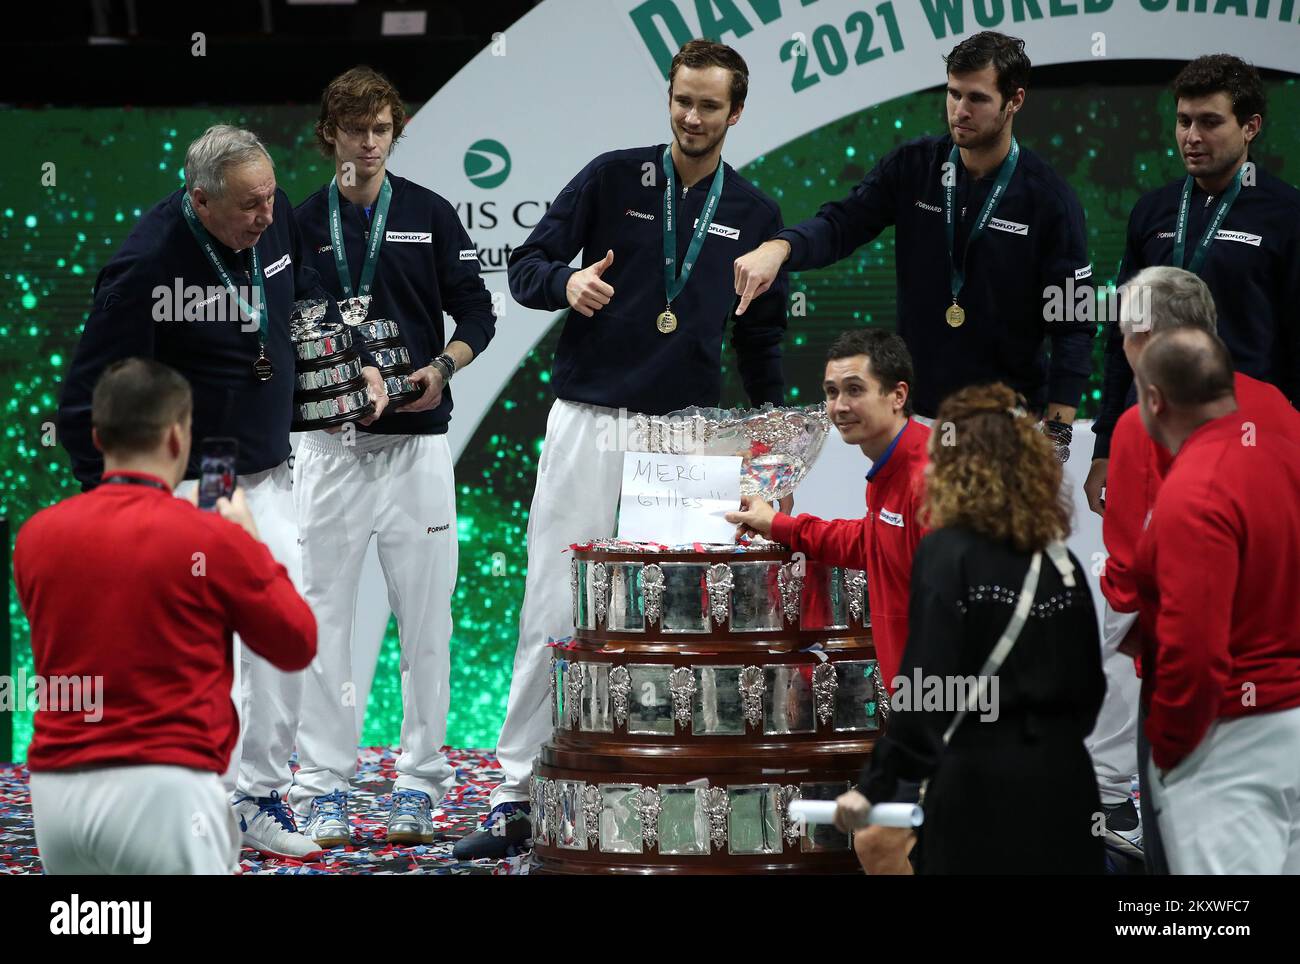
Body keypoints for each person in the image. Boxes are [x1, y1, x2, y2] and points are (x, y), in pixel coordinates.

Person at [454, 38, 789, 860]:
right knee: (553, 607)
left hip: (687, 438)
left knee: (677, 621)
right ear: (668, 98)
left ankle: (668, 789)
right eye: (682, 99)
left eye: (710, 104)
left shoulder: (755, 214)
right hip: (589, 419)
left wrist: (774, 454)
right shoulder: (612, 177)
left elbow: (763, 345)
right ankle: (514, 793)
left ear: (735, 113)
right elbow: (527, 267)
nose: (692, 116)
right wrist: (565, 284)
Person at [56, 125, 384, 859]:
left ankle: (261, 796)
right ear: (199, 200)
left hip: (268, 475)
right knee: (190, 655)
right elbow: (84, 402)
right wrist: (116, 508)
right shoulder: (145, 266)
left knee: (284, 638)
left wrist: (352, 360)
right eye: (248, 206)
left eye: (271, 198)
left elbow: (304, 299)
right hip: (184, 490)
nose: (268, 217)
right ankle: (192, 794)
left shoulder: (276, 222)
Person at [288, 66, 496, 847]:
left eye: (381, 129)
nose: (368, 144)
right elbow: (286, 324)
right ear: (331, 135)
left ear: (395, 130)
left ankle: (418, 779)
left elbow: (478, 311)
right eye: (354, 130)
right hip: (330, 449)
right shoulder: (300, 223)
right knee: (322, 620)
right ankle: (324, 783)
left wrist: (436, 370)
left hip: (417, 449)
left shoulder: (431, 216)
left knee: (427, 623)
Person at [16, 359, 317, 874]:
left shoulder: (36, 536)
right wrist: (249, 544)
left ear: (96, 435)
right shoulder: (212, 539)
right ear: (179, 438)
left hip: (54, 795)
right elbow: (296, 642)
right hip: (165, 790)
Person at [733, 31, 1092, 449]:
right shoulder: (914, 167)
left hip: (1008, 428)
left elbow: (1074, 324)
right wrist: (780, 247)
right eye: (953, 94)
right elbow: (842, 223)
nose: (960, 110)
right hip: (916, 418)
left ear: (1015, 100)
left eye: (977, 98)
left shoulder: (1050, 200)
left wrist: (1059, 433)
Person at [835, 383, 1106, 874]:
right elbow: (1089, 691)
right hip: (1066, 790)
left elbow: (924, 694)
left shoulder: (948, 555)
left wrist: (877, 784)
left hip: (981, 794)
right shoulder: (1061, 564)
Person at [1094, 266, 1300, 869]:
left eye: (1123, 335)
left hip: (1213, 715)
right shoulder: (1278, 408)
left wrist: (1171, 744)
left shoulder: (1145, 425)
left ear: (1145, 339)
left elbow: (1132, 582)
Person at [727, 328, 928, 875]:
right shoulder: (887, 472)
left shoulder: (929, 477)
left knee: (882, 845)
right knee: (885, 845)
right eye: (831, 391)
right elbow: (868, 542)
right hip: (924, 706)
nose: (840, 405)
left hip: (950, 710)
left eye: (855, 389)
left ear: (898, 394)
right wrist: (780, 525)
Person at [1084, 53, 1300, 514]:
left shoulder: (1287, 216)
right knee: (1139, 573)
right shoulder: (1151, 211)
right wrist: (1104, 446)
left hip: (1245, 433)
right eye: (1183, 121)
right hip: (1147, 429)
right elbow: (1124, 330)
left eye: (1209, 122)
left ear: (1251, 126)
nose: (1192, 137)